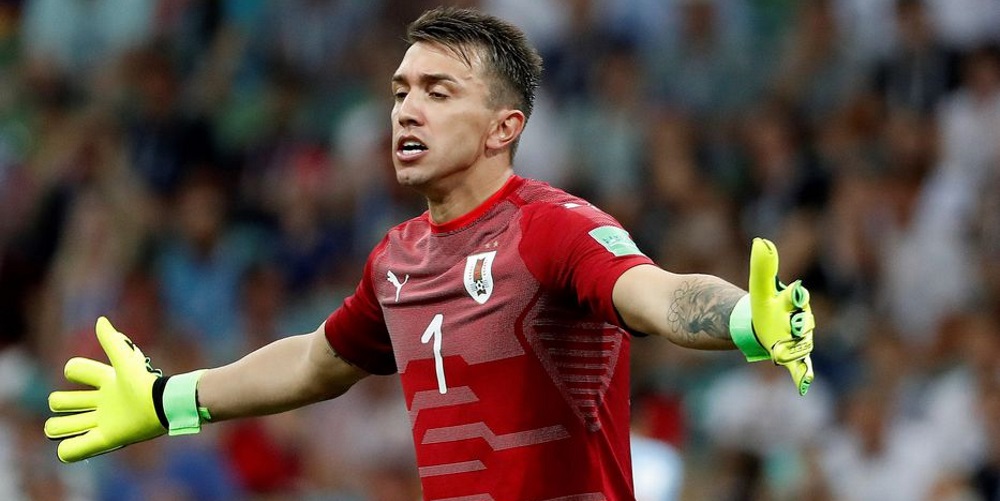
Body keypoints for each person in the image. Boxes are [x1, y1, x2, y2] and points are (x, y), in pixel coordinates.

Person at [44, 7, 815, 500]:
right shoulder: (397, 259)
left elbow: (657, 293)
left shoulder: (552, 227)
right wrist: (169, 400)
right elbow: (314, 362)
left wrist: (744, 319)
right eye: (401, 90)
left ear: (503, 127)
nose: (407, 109)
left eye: (438, 92)